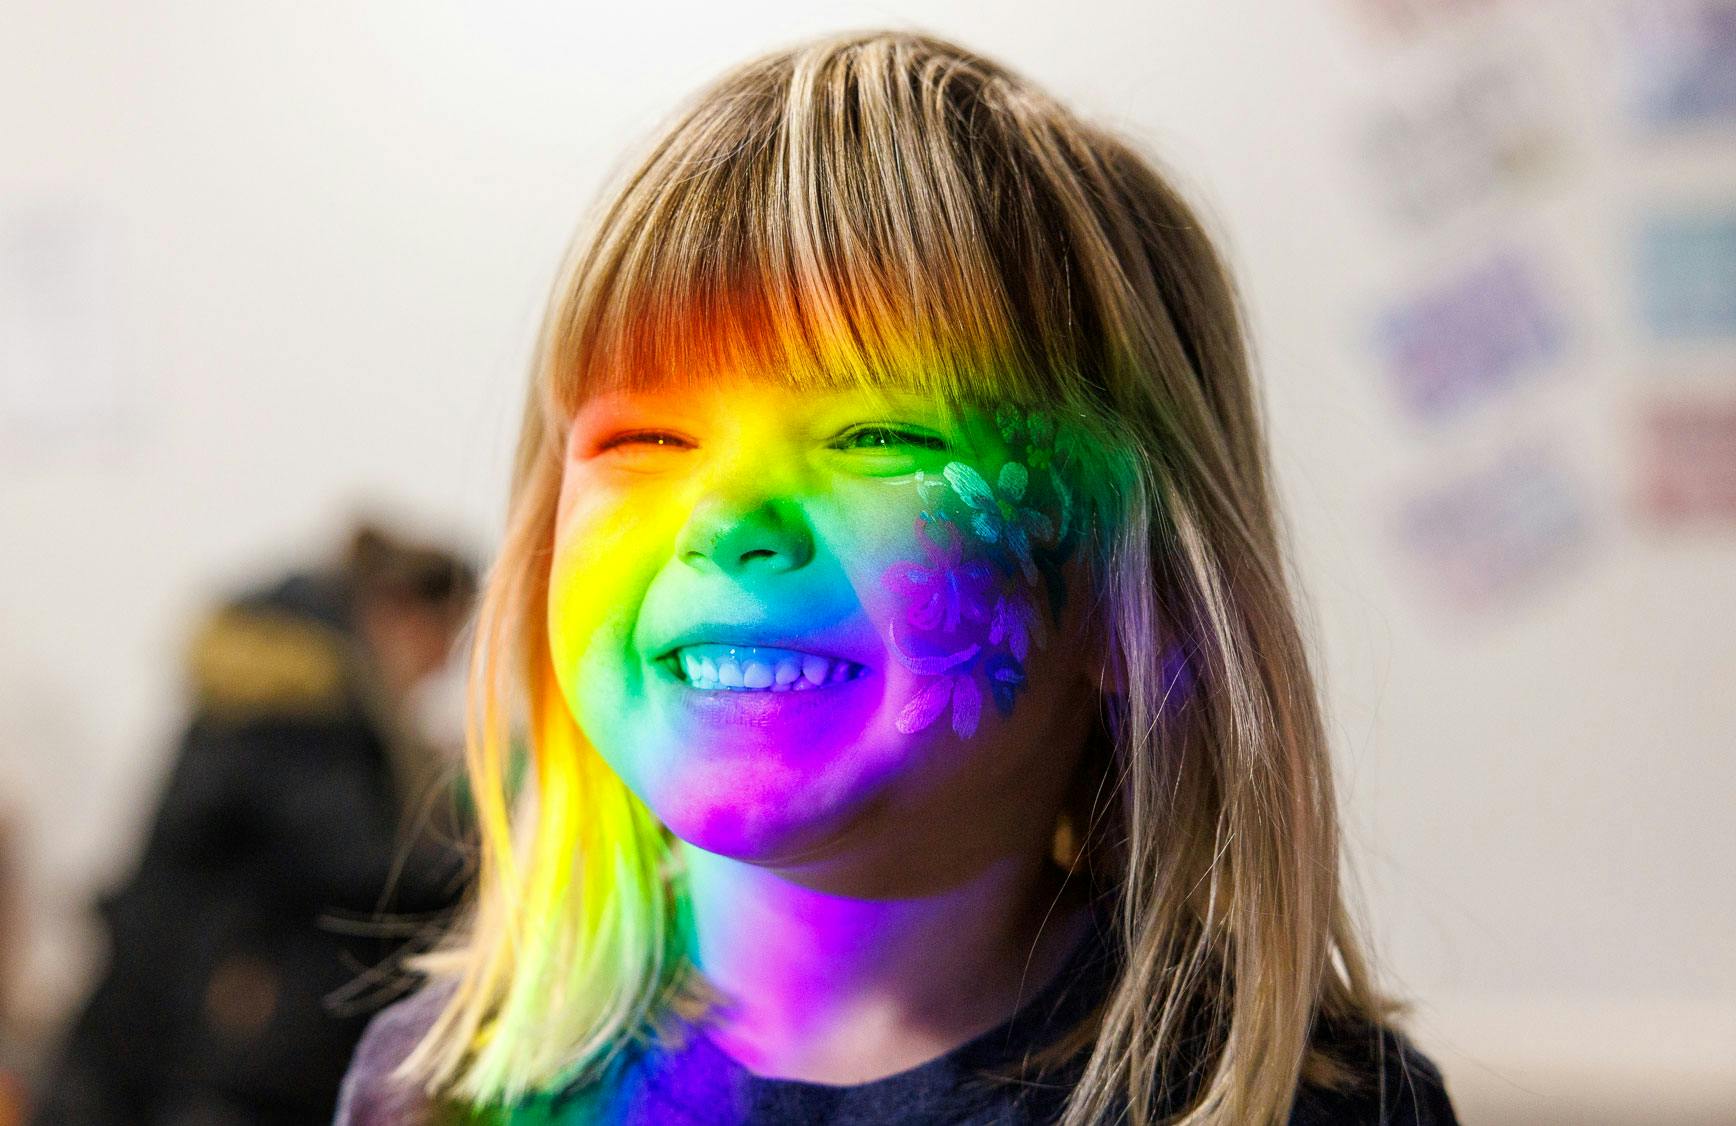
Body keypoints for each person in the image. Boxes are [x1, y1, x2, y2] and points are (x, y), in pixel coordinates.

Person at [337, 31, 1460, 1125]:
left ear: (1138, 597)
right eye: (644, 442)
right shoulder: (443, 1092)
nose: (730, 521)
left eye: (880, 435)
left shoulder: (1311, 1110)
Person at [33, 521, 478, 1125]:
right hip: (214, 1056)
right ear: (400, 613)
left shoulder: (270, 698)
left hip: (166, 1041)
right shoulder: (300, 714)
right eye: (441, 644)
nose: (435, 674)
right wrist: (498, 865)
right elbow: (359, 871)